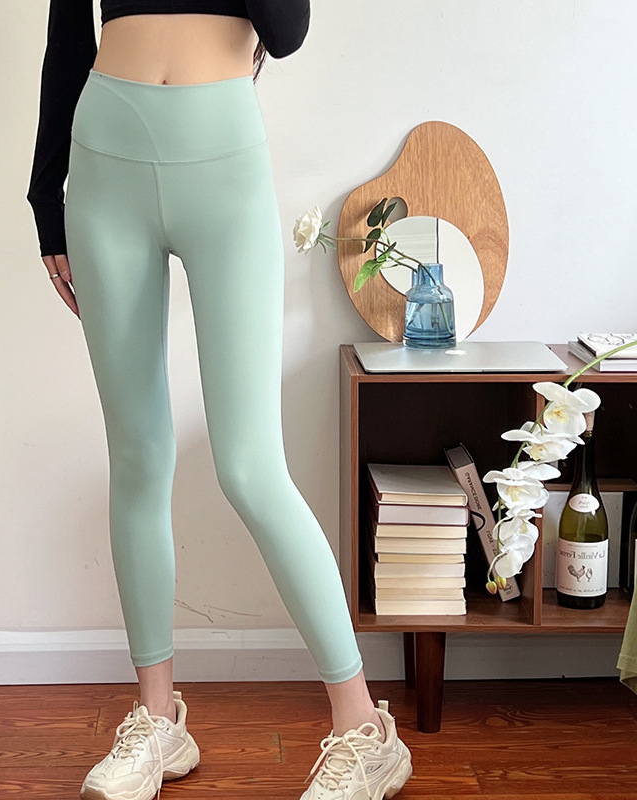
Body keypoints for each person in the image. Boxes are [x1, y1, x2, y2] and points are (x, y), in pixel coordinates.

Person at [25, 3, 414, 799]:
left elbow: (287, 30)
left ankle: (363, 729)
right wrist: (44, 200)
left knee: (249, 467)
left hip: (221, 157)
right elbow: (68, 32)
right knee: (138, 455)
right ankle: (157, 721)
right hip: (104, 159)